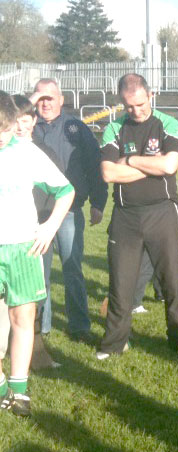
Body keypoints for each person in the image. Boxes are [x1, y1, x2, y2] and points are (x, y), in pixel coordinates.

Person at [96, 73, 178, 362]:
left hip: (163, 212)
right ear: (121, 103)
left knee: (173, 281)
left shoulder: (168, 124)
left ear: (150, 96)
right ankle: (114, 343)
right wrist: (152, 166)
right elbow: (107, 172)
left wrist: (128, 160)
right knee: (120, 283)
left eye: (140, 104)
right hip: (125, 216)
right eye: (129, 107)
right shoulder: (113, 129)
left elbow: (170, 165)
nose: (136, 111)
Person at [0, 91, 74, 416]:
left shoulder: (25, 152)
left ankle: (19, 390)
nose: (3, 135)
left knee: (23, 318)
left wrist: (49, 226)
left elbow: (65, 190)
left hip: (23, 247)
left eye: (6, 128)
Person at [31, 79, 107, 342]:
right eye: (41, 98)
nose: (46, 103)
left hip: (69, 212)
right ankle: (41, 327)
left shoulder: (76, 128)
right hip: (35, 214)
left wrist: (98, 202)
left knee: (72, 268)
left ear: (62, 99)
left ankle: (79, 326)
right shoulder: (24, 127)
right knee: (39, 273)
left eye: (51, 97)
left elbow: (94, 165)